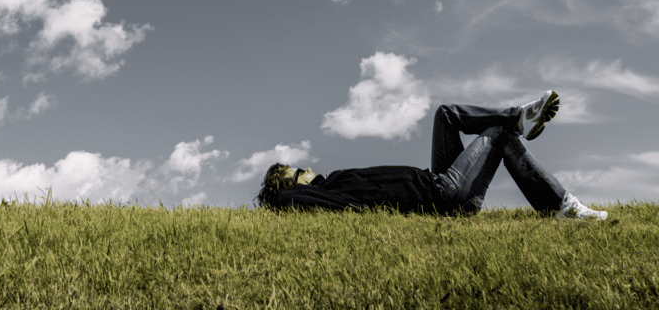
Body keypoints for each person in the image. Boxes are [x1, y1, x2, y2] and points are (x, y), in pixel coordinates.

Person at [256, 91, 608, 220]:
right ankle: (563, 206)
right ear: (289, 185)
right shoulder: (316, 195)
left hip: (434, 179)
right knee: (499, 136)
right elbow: (286, 199)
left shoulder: (333, 181)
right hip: (440, 195)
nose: (307, 168)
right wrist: (278, 190)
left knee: (445, 114)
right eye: (298, 170)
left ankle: (518, 117)